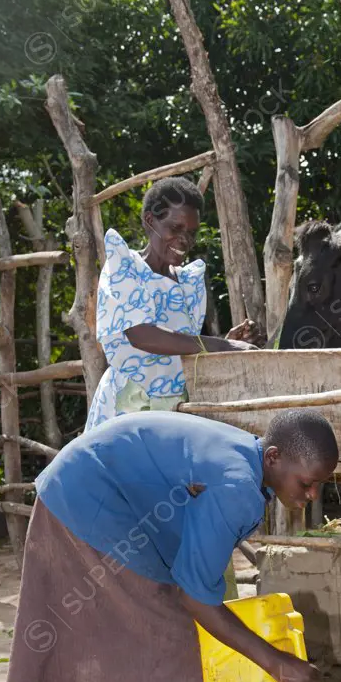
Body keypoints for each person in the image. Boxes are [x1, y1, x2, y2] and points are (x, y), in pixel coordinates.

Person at [2, 408, 338, 682]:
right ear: (273, 458)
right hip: (91, 503)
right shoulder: (237, 484)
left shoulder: (242, 462)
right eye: (306, 483)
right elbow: (195, 599)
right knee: (172, 637)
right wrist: (277, 662)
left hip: (71, 492)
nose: (311, 495)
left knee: (99, 645)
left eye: (318, 486)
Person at [86, 174, 265, 599]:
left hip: (177, 414)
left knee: (182, 517)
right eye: (174, 228)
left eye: (190, 232)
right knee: (133, 520)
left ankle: (191, 617)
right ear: (150, 220)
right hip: (131, 411)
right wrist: (219, 345)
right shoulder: (124, 268)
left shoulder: (187, 282)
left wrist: (229, 341)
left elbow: (182, 345)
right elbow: (141, 335)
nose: (182, 239)